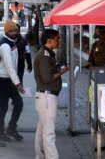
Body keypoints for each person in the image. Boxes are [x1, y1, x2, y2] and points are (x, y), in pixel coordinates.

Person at [34, 29, 69, 159]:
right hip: (47, 97)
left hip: (46, 96)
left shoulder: (47, 54)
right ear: (49, 41)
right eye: (57, 39)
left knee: (42, 130)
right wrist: (62, 71)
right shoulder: (44, 56)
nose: (59, 41)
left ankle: (40, 156)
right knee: (49, 134)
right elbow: (47, 78)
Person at [0, 19, 25, 142]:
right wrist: (18, 83)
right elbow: (9, 66)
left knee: (18, 103)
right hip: (3, 80)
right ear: (6, 32)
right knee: (3, 106)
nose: (14, 33)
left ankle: (11, 128)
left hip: (9, 79)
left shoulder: (12, 42)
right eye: (11, 31)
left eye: (15, 30)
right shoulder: (6, 45)